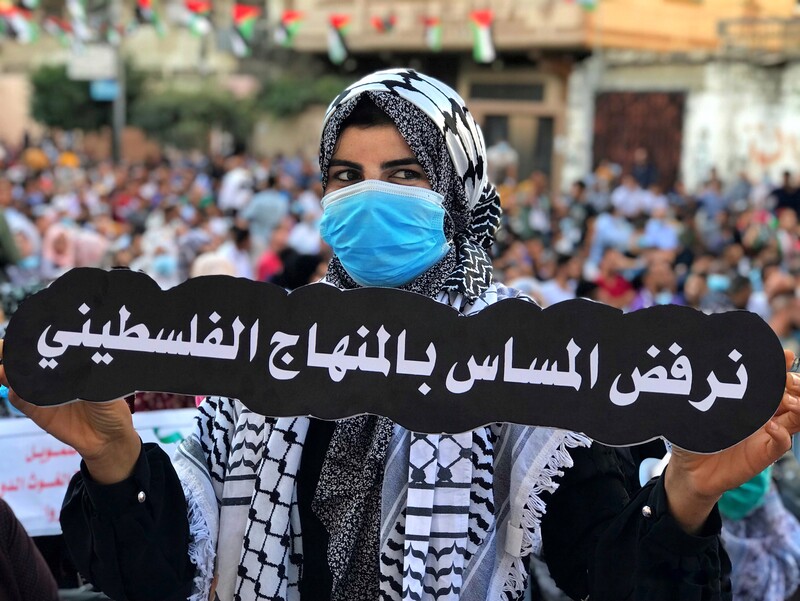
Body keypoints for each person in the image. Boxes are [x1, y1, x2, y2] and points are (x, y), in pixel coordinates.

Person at [2, 68, 800, 601]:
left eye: (407, 173)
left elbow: (607, 569)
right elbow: (157, 568)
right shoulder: (269, 358)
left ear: (458, 196)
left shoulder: (538, 367)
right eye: (345, 176)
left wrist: (685, 497)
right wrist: (113, 456)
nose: (368, 197)